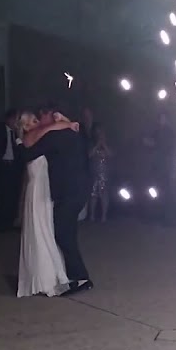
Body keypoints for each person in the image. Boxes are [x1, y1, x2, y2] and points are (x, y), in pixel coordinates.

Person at [24, 105, 93, 295]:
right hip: (79, 188)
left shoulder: (55, 135)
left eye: (41, 116)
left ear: (50, 114)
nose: (39, 121)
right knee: (66, 231)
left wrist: (48, 128)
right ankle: (76, 275)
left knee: (62, 232)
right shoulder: (73, 131)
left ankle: (80, 277)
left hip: (69, 191)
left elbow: (27, 153)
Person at [15, 111, 80, 297]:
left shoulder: (32, 137)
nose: (38, 122)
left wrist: (66, 122)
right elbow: (52, 127)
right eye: (33, 121)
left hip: (40, 187)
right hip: (38, 190)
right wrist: (67, 122)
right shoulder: (33, 136)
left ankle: (44, 275)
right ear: (26, 126)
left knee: (43, 230)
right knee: (42, 230)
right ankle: (47, 277)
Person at [87, 124, 112, 223]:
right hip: (94, 172)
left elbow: (111, 154)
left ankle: (104, 216)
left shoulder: (108, 143)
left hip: (104, 173)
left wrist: (104, 144)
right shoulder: (92, 143)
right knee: (93, 194)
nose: (99, 134)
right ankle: (92, 216)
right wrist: (97, 144)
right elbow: (89, 155)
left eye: (101, 132)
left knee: (104, 194)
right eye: (98, 132)